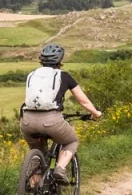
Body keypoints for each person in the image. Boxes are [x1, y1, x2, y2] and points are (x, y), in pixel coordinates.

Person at [20, 43, 101, 184]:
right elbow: (83, 101)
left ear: (42, 60)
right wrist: (95, 113)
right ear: (59, 60)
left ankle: (35, 189)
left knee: (36, 152)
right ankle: (59, 168)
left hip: (27, 120)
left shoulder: (32, 75)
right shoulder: (64, 76)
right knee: (71, 141)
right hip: (51, 120)